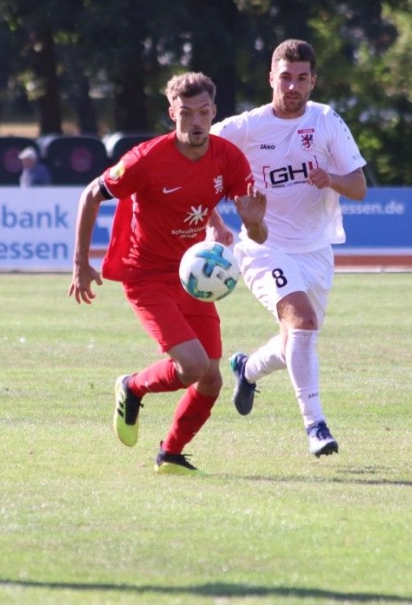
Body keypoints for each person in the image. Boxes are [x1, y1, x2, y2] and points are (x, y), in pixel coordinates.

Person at [68, 72, 267, 474]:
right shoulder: (146, 159)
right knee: (192, 367)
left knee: (211, 379)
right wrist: (80, 263)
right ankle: (132, 386)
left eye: (204, 112)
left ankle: (171, 454)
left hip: (191, 277)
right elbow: (91, 195)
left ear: (214, 112)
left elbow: (254, 231)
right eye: (186, 113)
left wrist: (252, 223)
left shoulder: (229, 158)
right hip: (146, 275)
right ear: (172, 113)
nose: (196, 121)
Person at [211, 39, 368, 458]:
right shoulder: (246, 126)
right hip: (263, 246)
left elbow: (359, 187)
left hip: (316, 252)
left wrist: (331, 178)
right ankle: (315, 425)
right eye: (285, 77)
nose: (293, 86)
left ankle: (247, 369)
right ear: (271, 78)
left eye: (301, 78)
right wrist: (213, 221)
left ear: (313, 81)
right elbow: (197, 154)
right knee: (302, 322)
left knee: (298, 339)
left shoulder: (326, 120)